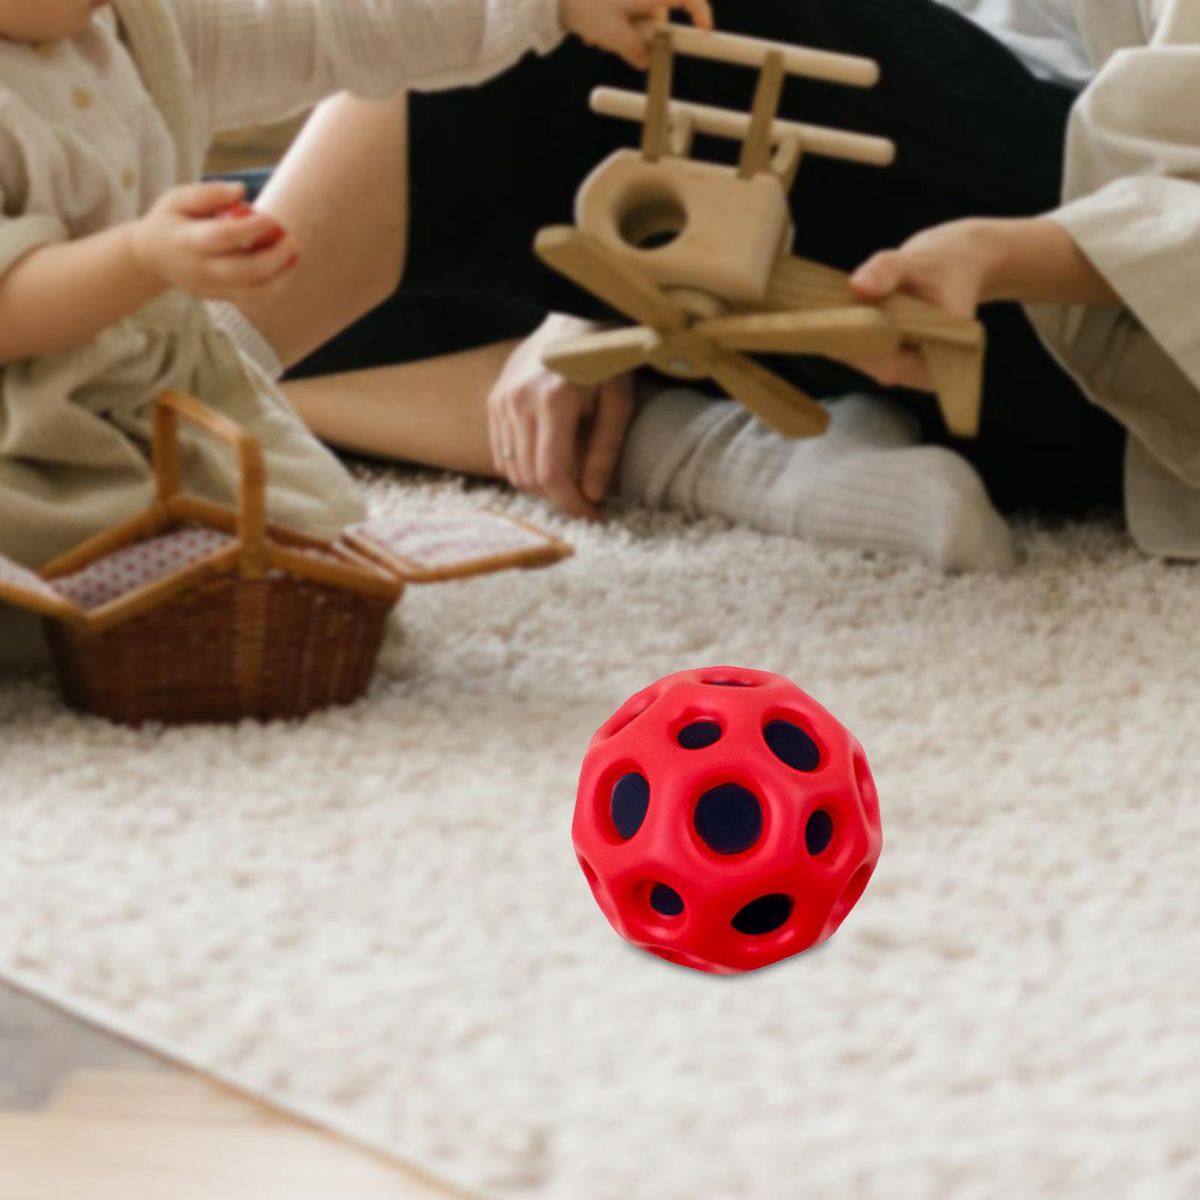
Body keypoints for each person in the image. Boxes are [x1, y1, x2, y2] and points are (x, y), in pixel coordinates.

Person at [270, 0, 1200, 572]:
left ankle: (175, 418)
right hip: (907, 235)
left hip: (1078, 300)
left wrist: (1003, 254)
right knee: (279, 240)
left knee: (514, 37)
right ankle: (729, 454)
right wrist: (592, 295)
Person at [0, 0, 713, 664]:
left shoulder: (141, 27)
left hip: (163, 395)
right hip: (30, 435)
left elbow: (338, 27)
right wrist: (139, 259)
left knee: (305, 543)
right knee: (54, 581)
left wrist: (545, 8)